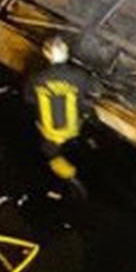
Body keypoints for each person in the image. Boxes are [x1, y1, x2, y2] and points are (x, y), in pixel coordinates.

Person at [24, 36, 91, 188]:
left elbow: (29, 99)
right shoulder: (80, 76)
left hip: (50, 133)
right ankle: (85, 144)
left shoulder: (35, 78)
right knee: (84, 110)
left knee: (50, 154)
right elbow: (85, 96)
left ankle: (71, 177)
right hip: (73, 128)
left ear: (46, 55)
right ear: (66, 52)